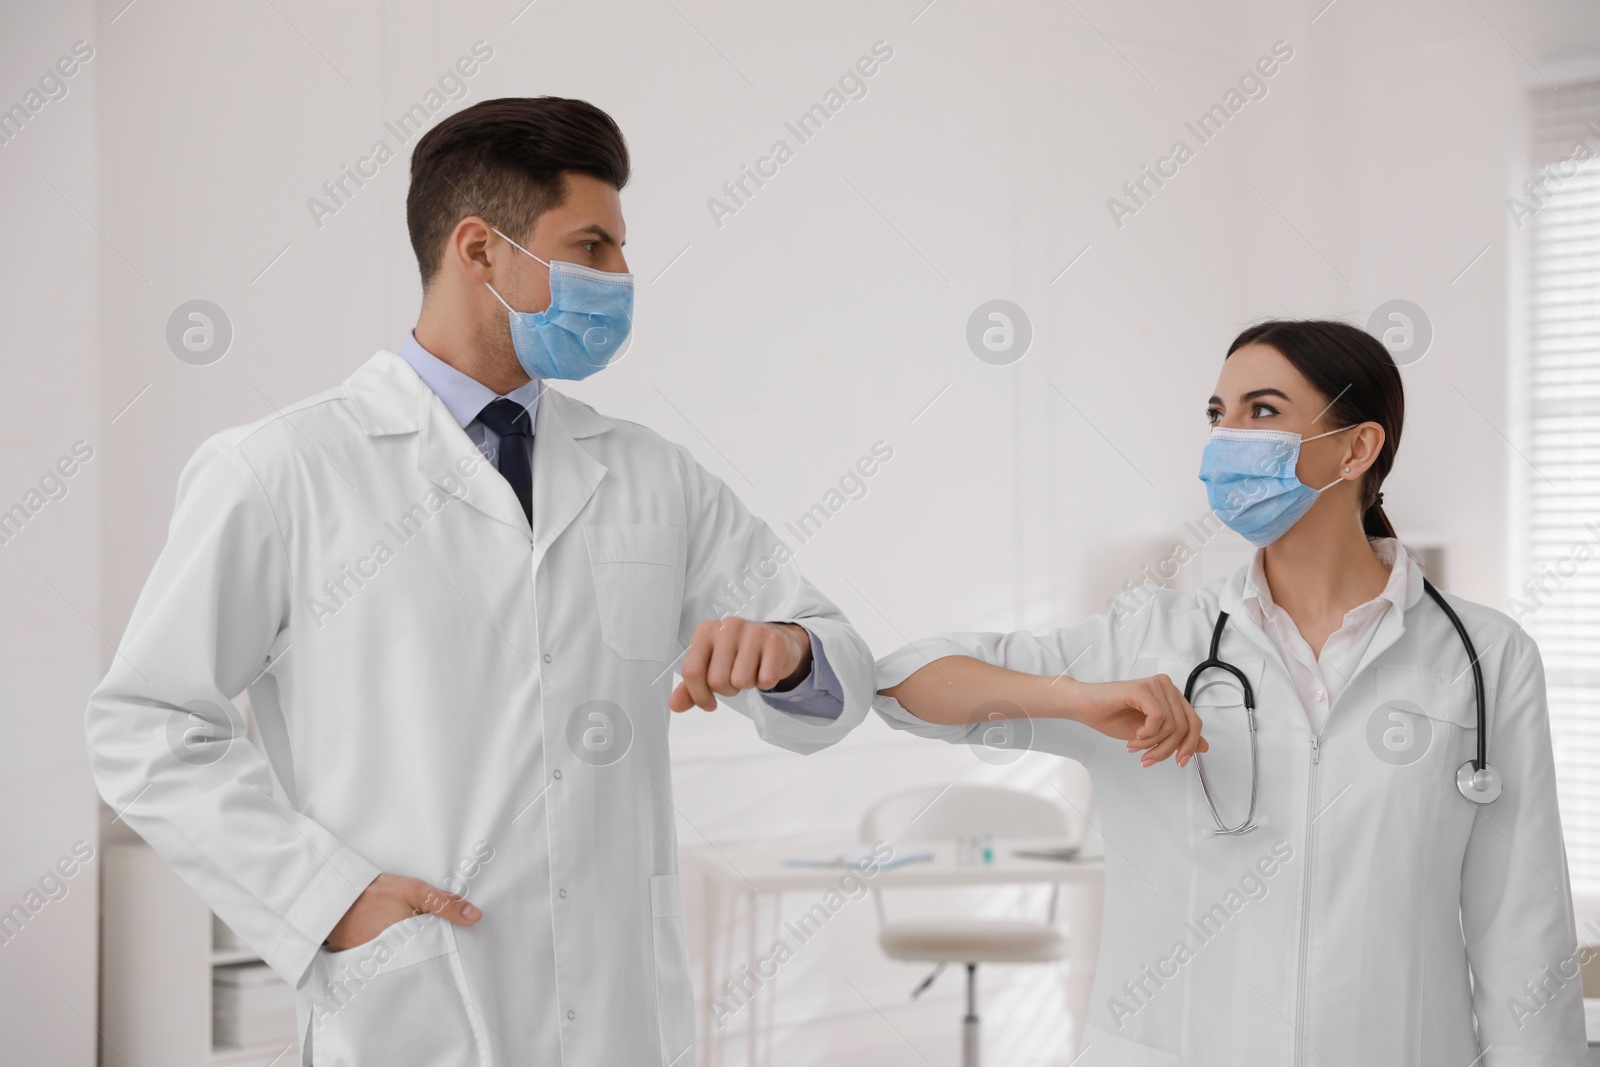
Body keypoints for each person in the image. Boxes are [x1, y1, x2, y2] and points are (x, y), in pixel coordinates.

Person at [84, 97, 875, 1067]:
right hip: (412, 1007)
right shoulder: (284, 468)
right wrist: (324, 897)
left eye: (621, 249)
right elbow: (147, 722)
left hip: (622, 1016)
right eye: (592, 245)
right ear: (479, 249)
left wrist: (790, 654)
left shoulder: (650, 473)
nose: (621, 278)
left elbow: (836, 666)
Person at [877, 320, 1587, 1065]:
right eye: (1219, 414)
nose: (1226, 440)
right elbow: (905, 679)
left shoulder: (1485, 657)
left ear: (1357, 448)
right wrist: (1081, 700)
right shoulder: (1153, 636)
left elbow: (1523, 924)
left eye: (1263, 410)